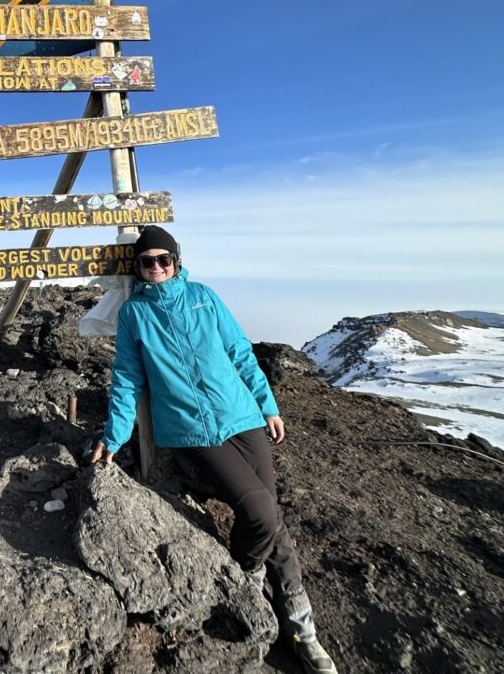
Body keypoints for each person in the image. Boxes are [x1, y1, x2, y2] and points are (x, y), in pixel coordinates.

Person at [89, 225, 338, 674]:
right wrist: (114, 435)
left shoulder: (204, 296)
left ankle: (303, 630)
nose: (158, 268)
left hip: (242, 415)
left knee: (272, 517)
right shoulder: (134, 315)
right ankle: (250, 577)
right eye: (148, 261)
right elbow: (127, 377)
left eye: (165, 259)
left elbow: (241, 353)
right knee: (261, 513)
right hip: (192, 430)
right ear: (138, 268)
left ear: (177, 261)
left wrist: (267, 405)